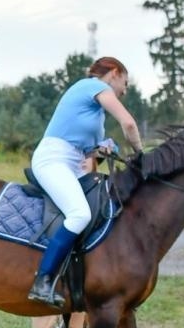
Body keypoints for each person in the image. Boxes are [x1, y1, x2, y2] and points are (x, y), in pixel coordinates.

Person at [27, 57, 144, 308]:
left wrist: (102, 149)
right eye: (125, 82)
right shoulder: (91, 86)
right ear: (114, 73)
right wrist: (140, 153)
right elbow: (129, 123)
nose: (125, 90)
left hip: (72, 164)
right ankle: (42, 281)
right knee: (79, 214)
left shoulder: (95, 111)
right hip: (53, 159)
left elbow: (88, 151)